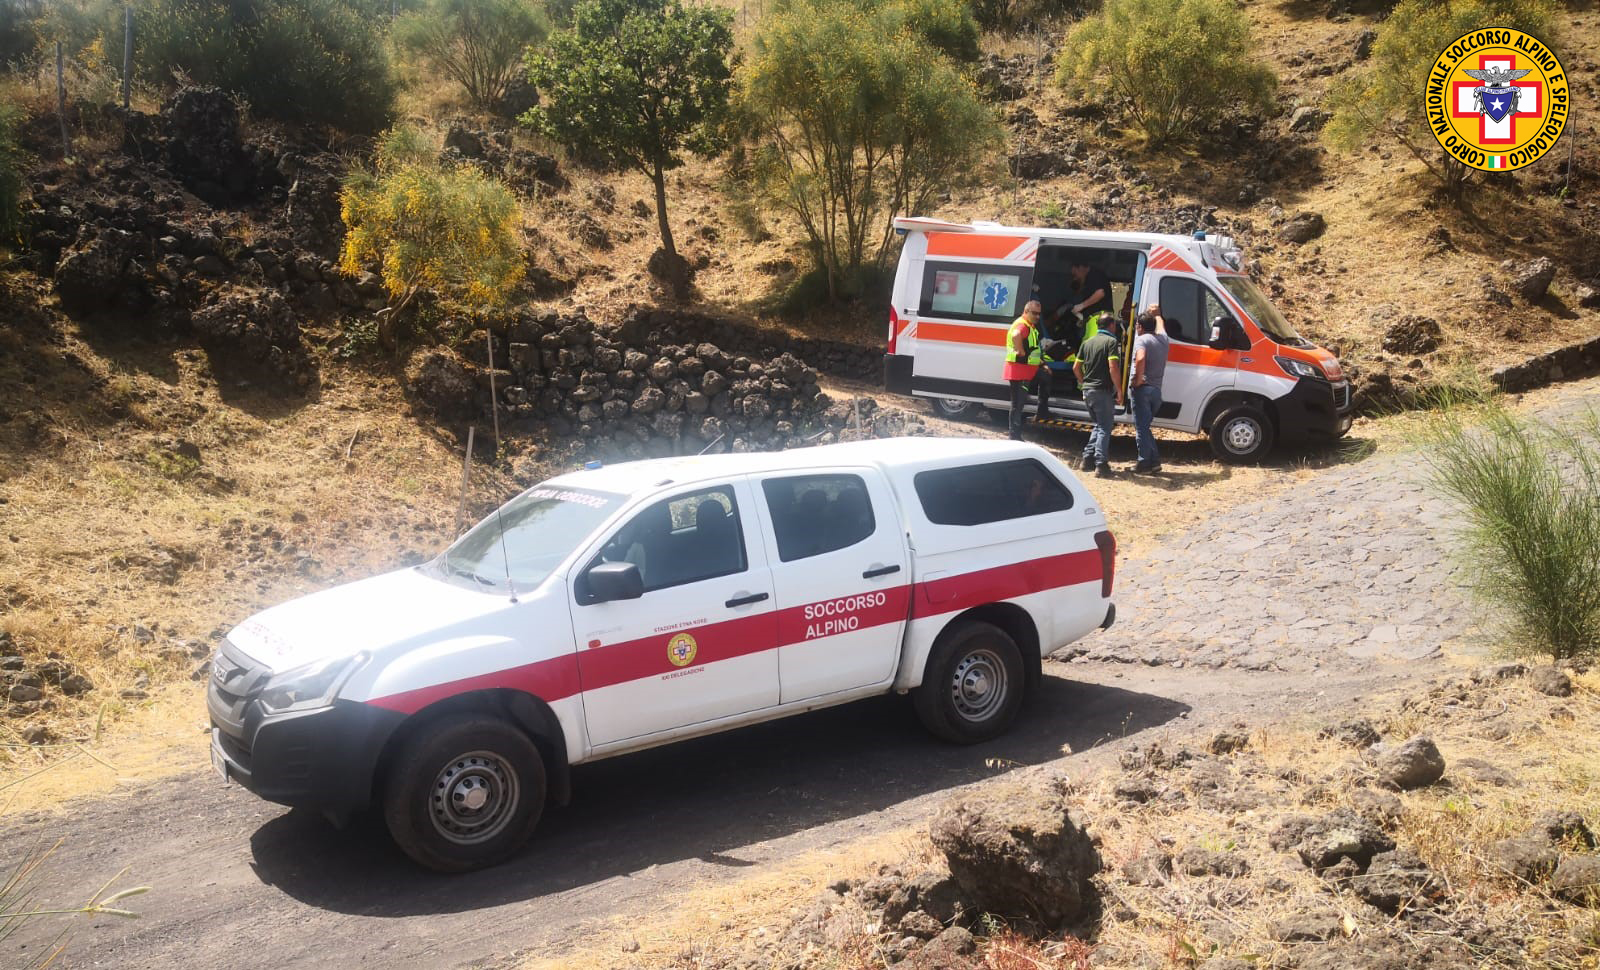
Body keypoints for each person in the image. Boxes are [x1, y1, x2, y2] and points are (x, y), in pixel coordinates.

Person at [1072, 313, 1122, 476]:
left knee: (1098, 425)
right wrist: (1119, 390)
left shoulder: (1087, 343)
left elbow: (1076, 368)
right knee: (1105, 428)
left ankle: (1087, 459)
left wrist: (1083, 383)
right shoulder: (1111, 342)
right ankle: (1101, 464)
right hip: (1102, 392)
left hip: (1088, 391)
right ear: (1111, 326)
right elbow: (1113, 367)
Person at [1003, 300, 1054, 441]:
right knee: (1017, 404)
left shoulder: (1030, 326)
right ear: (1026, 312)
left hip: (1029, 369)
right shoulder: (1022, 325)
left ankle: (1042, 411)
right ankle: (1014, 436)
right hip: (1019, 371)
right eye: (1034, 313)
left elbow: (1033, 350)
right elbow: (1015, 335)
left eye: (1039, 314)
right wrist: (1020, 350)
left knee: (1046, 378)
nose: (1037, 316)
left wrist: (1043, 364)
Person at [1130, 305, 1171, 474]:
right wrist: (1158, 314)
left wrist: (1138, 380)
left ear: (1139, 326)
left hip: (1143, 390)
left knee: (1141, 428)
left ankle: (1144, 463)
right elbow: (1161, 325)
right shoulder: (1162, 339)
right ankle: (1154, 462)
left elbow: (1140, 359)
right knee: (1145, 427)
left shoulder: (1142, 339)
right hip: (1156, 392)